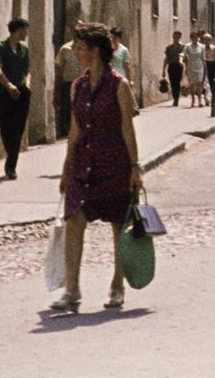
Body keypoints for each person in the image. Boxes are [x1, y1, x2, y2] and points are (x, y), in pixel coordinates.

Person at [52, 21, 141, 313]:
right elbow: (75, 129)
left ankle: (118, 285)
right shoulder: (77, 86)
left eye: (79, 47)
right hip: (82, 163)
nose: (75, 52)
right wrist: (66, 169)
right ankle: (72, 290)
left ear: (95, 51)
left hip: (113, 162)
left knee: (119, 225)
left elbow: (127, 128)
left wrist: (135, 167)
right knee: (74, 220)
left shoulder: (119, 85)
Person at [0, 17, 31, 179]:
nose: (27, 33)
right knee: (4, 125)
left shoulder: (24, 49)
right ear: (18, 30)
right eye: (25, 30)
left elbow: (28, 69)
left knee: (18, 128)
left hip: (22, 92)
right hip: (4, 93)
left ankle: (11, 166)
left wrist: (27, 83)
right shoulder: (1, 48)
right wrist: (9, 86)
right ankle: (11, 154)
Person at [54, 25, 83, 139]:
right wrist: (56, 91)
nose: (77, 33)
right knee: (68, 112)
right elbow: (59, 71)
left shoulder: (88, 48)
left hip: (84, 85)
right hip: (68, 85)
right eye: (75, 30)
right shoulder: (65, 49)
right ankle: (71, 137)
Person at [182, 28, 206, 108]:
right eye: (193, 37)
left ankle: (200, 100)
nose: (194, 39)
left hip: (199, 66)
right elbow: (183, 54)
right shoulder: (187, 46)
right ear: (191, 38)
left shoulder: (202, 47)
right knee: (192, 84)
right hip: (190, 66)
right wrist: (181, 60)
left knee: (199, 83)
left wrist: (205, 67)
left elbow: (203, 57)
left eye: (196, 37)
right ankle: (193, 100)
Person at [202, 33, 215, 115]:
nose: (207, 41)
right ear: (203, 40)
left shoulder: (214, 48)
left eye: (209, 40)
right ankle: (207, 99)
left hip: (213, 65)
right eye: (205, 40)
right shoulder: (202, 49)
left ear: (211, 40)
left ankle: (213, 96)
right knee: (205, 83)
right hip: (205, 65)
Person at [162, 29, 184, 107]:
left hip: (179, 66)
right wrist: (163, 70)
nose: (176, 39)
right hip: (171, 66)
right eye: (175, 37)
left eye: (178, 37)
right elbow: (166, 59)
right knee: (172, 83)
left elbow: (185, 58)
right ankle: (175, 98)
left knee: (177, 83)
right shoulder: (169, 48)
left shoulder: (182, 47)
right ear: (173, 37)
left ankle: (176, 99)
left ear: (180, 37)